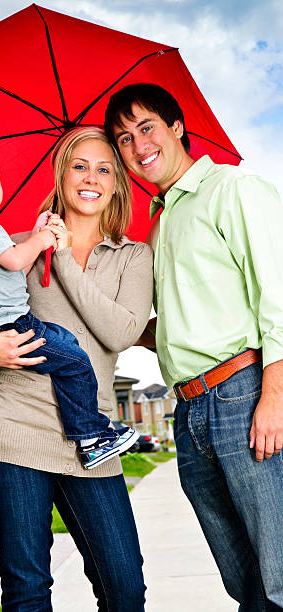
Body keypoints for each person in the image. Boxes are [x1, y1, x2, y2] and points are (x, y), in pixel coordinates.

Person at [0, 126, 153, 611]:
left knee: (124, 589)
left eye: (105, 168)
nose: (91, 177)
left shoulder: (132, 257)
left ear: (118, 183)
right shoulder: (12, 246)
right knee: (28, 589)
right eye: (79, 165)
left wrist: (60, 257)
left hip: (90, 442)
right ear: (61, 175)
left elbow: (120, 332)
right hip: (12, 432)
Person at [104, 83, 283, 611]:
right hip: (190, 408)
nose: (138, 147)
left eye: (147, 128)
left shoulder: (234, 188)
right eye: (124, 139)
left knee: (278, 572)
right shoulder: (159, 224)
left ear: (177, 126)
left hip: (245, 394)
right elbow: (169, 327)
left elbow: (278, 295)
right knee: (242, 575)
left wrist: (273, 397)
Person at [0, 147, 138, 469]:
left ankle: (89, 435)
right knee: (75, 361)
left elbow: (11, 269)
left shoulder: (132, 255)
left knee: (67, 344)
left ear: (116, 185)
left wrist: (42, 241)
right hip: (12, 424)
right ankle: (92, 437)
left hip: (14, 319)